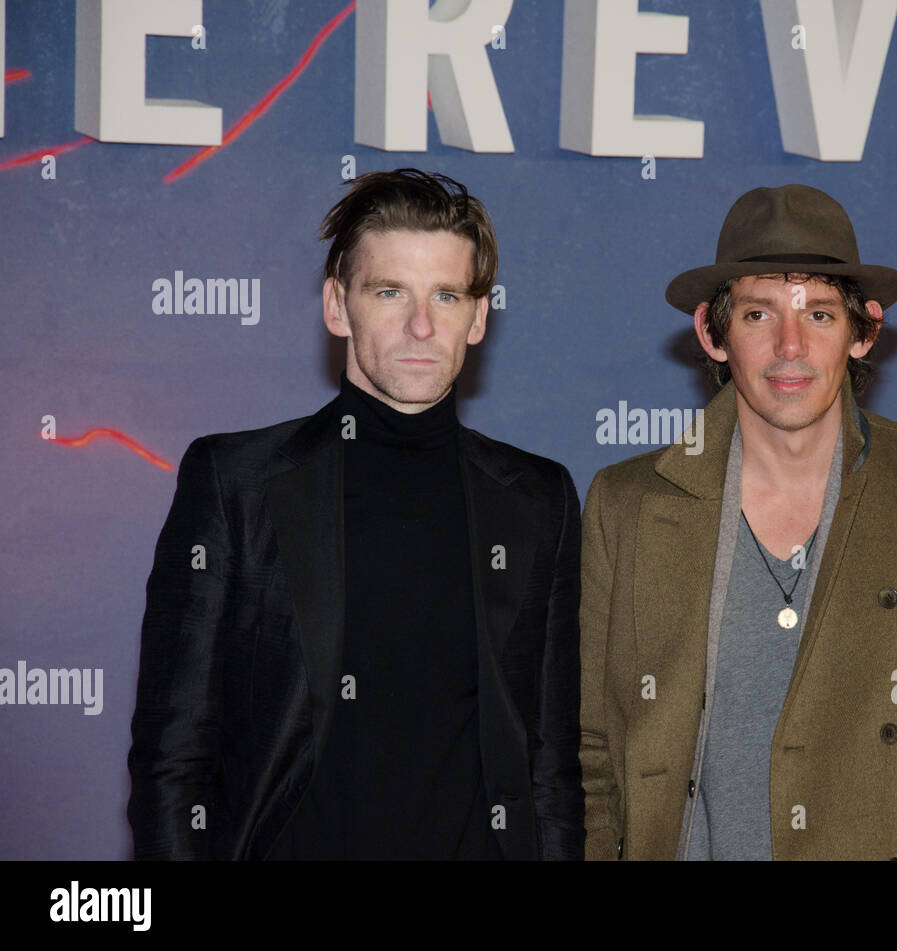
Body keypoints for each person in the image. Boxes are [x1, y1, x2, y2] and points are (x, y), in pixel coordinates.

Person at [579, 184, 897, 860]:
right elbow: (593, 748)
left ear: (865, 330)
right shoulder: (626, 503)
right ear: (713, 333)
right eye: (758, 315)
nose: (790, 345)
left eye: (818, 313)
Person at [128, 169, 583, 860]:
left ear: (479, 316)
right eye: (390, 291)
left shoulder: (538, 497)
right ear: (338, 306)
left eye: (448, 295)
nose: (422, 324)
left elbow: (549, 764)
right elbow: (172, 756)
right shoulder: (235, 484)